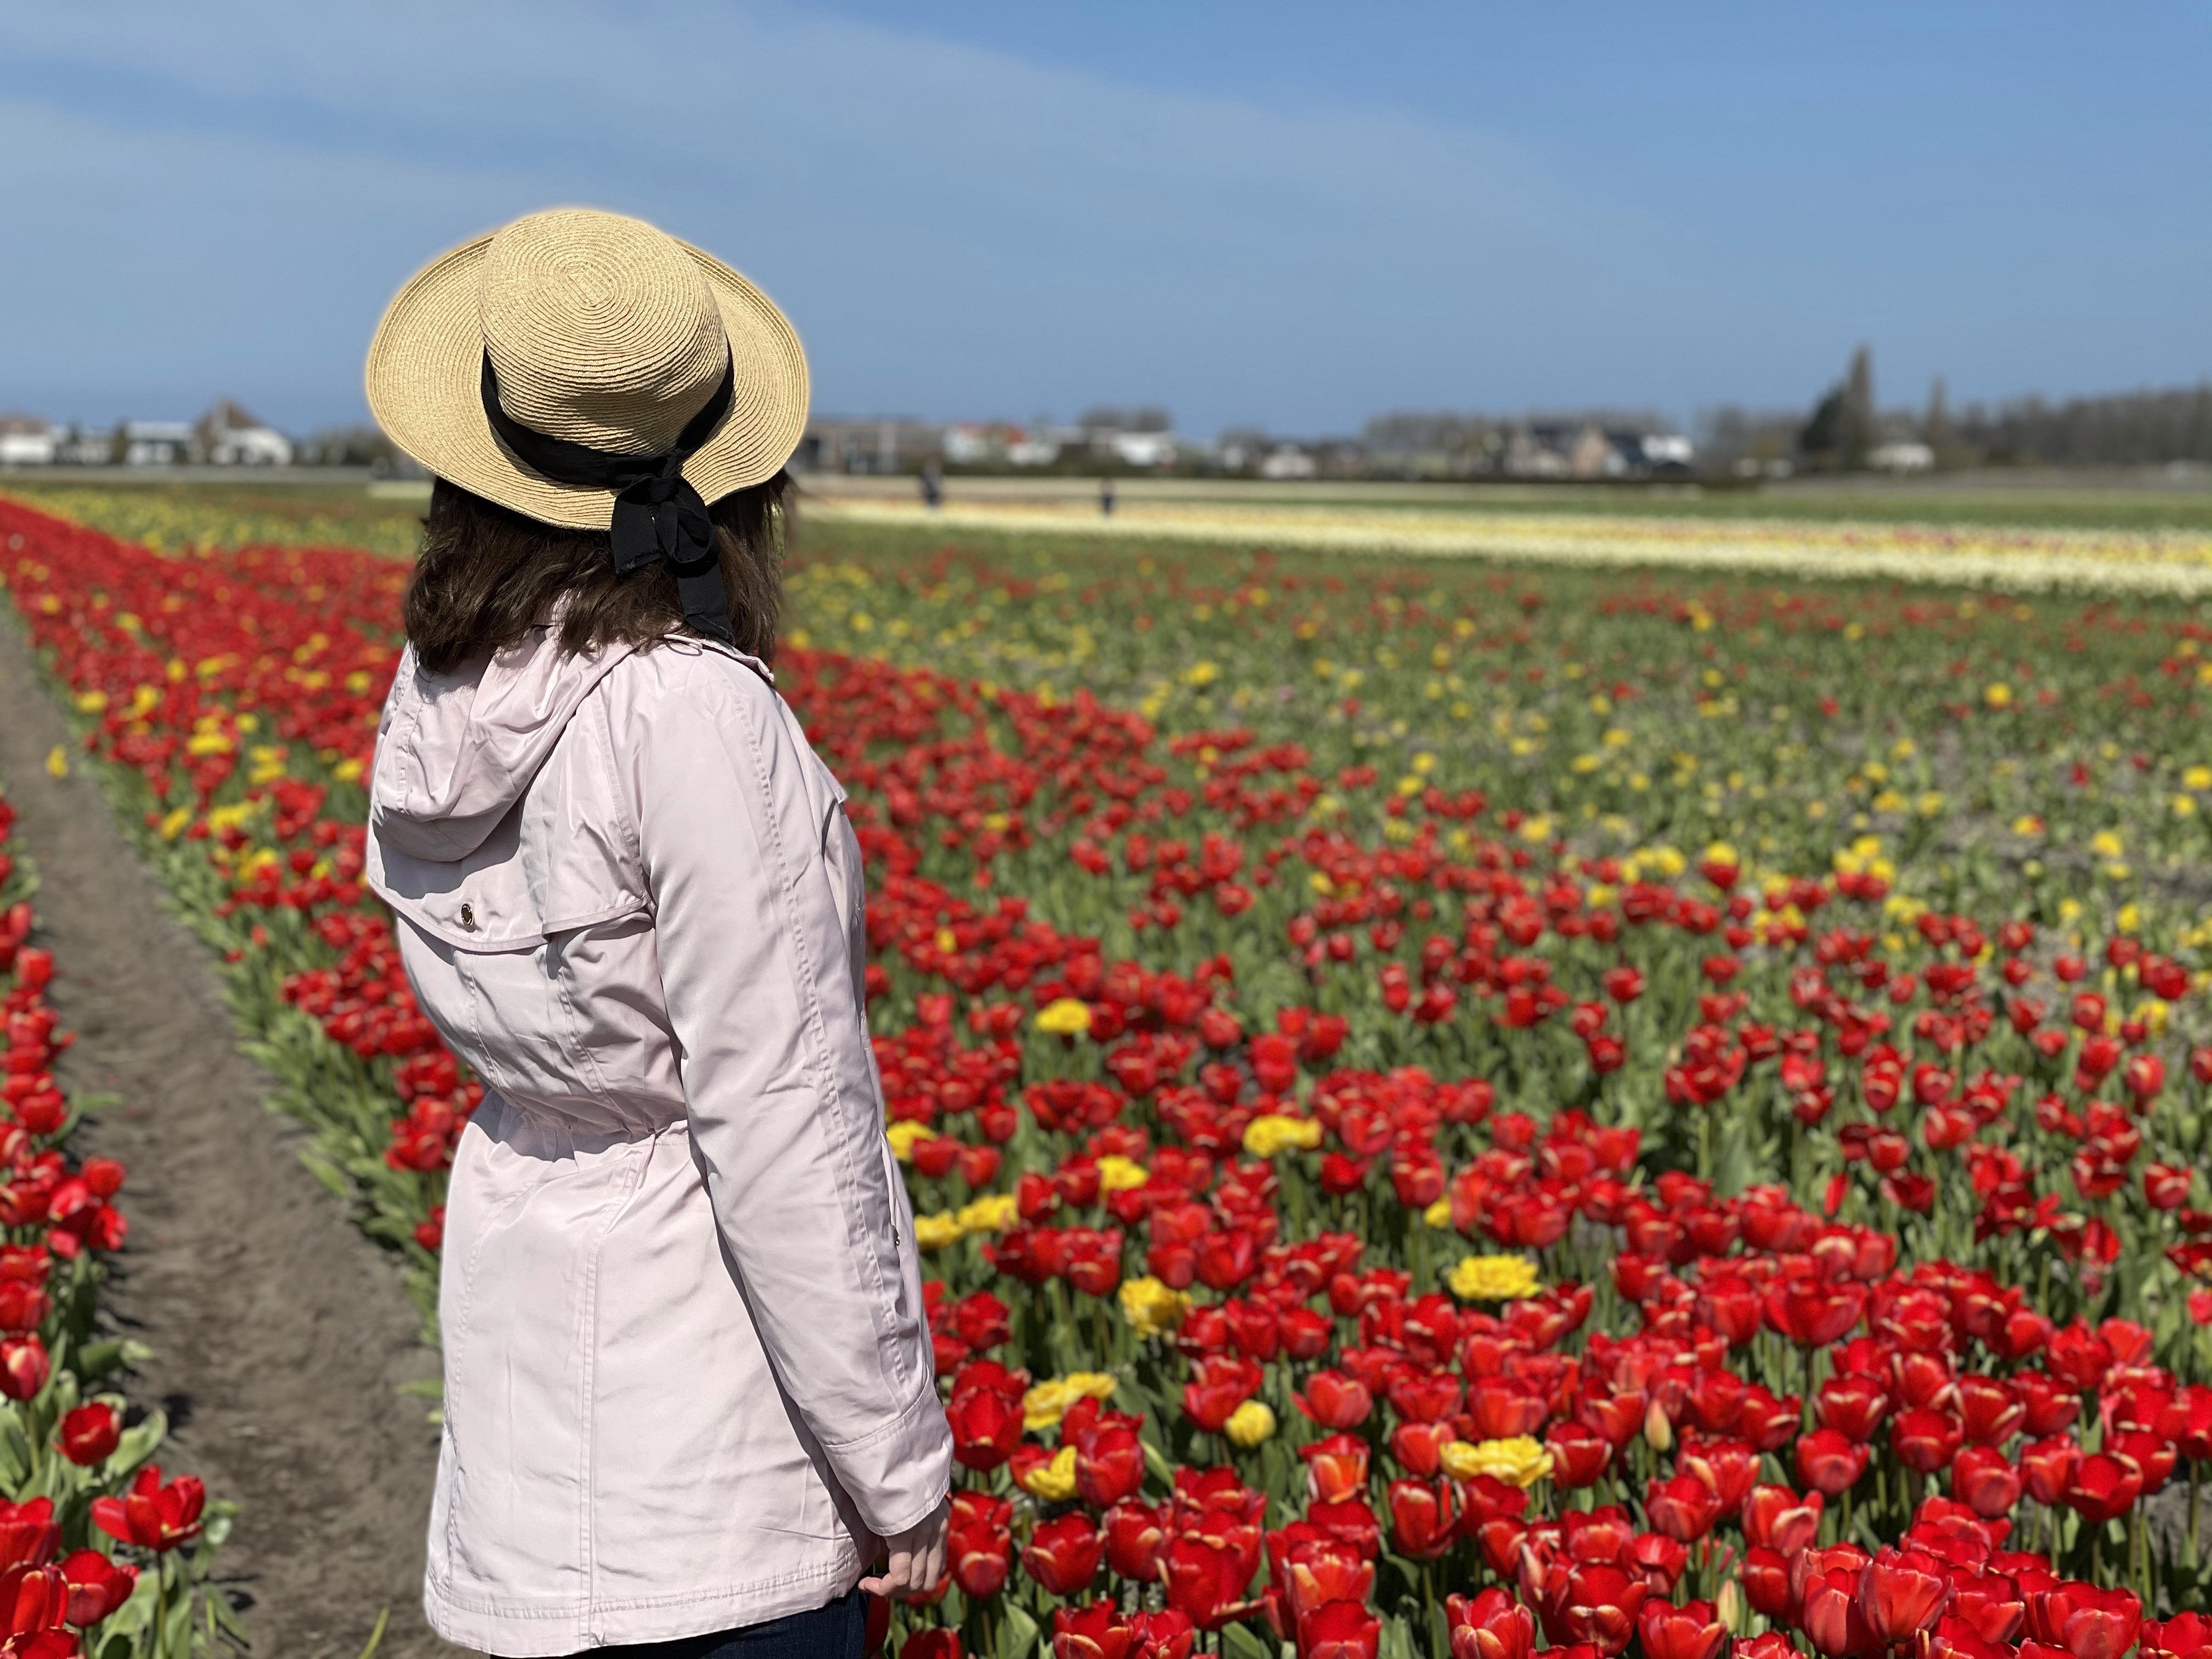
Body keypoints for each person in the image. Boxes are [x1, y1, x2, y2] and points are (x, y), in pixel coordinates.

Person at [359, 207, 951, 1658]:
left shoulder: (443, 695)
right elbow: (782, 1119)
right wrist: (896, 1464)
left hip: (525, 1375)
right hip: (716, 1458)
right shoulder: (693, 714)